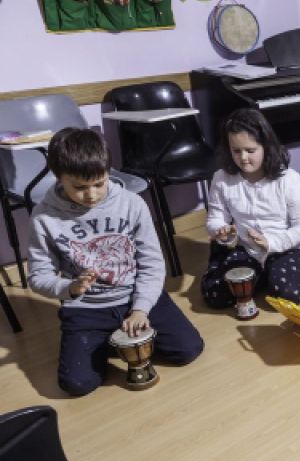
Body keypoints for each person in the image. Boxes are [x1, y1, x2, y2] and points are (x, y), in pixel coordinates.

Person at [27, 128, 203, 396]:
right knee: (77, 384)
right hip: (85, 308)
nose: (92, 195)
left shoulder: (132, 204)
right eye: (80, 187)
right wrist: (69, 288)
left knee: (189, 350)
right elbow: (38, 276)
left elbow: (152, 263)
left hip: (134, 295)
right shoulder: (43, 217)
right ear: (58, 177)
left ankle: (118, 339)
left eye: (100, 183)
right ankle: (110, 341)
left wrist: (141, 308)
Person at [202, 108, 300, 309]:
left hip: (289, 247)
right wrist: (222, 231)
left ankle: (261, 275)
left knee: (285, 295)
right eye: (236, 151)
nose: (243, 158)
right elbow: (215, 218)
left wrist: (271, 242)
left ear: (266, 146)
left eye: (250, 150)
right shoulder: (221, 179)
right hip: (247, 248)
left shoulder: (289, 180)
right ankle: (260, 273)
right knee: (215, 295)